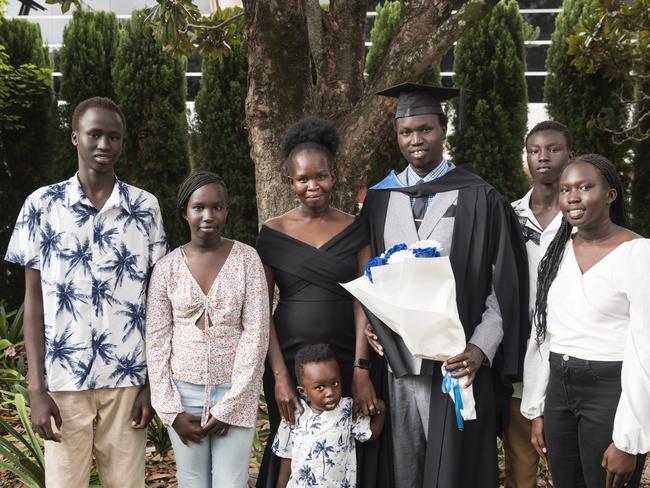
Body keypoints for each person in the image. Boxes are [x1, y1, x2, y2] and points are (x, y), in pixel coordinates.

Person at [362, 82, 529, 488]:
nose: (415, 140)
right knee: (403, 468)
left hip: (457, 364)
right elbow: (370, 274)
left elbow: (502, 285)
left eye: (425, 129)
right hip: (399, 366)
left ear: (443, 127)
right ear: (397, 136)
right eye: (406, 132)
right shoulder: (380, 199)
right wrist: (374, 325)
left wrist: (480, 348)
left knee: (455, 472)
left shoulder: (479, 196)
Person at [3, 97, 168, 487]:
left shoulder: (145, 208)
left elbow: (157, 302)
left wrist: (152, 384)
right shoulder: (41, 205)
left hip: (128, 379)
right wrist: (36, 387)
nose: (104, 144)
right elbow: (33, 302)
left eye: (114, 136)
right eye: (94, 134)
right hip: (64, 382)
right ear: (75, 136)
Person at [255, 116, 380, 488]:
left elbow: (364, 300)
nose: (313, 186)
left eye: (320, 176)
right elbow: (262, 311)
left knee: (349, 446)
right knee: (293, 447)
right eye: (303, 179)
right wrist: (279, 377)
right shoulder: (273, 233)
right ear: (290, 182)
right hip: (290, 363)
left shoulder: (356, 228)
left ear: (333, 175)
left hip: (344, 358)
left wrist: (360, 369)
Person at [521, 154, 650, 488]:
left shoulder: (638, 254)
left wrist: (628, 439)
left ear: (610, 195)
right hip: (559, 388)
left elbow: (644, 349)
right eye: (565, 190)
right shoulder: (556, 248)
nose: (572, 197)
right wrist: (538, 408)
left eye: (584, 187)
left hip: (610, 388)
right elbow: (544, 332)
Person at [145, 171, 269, 487]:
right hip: (182, 393)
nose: (208, 216)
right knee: (192, 480)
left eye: (217, 207)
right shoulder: (166, 268)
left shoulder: (247, 260)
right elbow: (157, 339)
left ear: (227, 211)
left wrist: (231, 404)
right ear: (185, 211)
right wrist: (170, 411)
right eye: (199, 207)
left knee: (231, 480)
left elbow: (256, 333)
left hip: (235, 390)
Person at [504, 120, 573, 487]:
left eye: (553, 149)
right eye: (535, 151)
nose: (543, 157)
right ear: (526, 158)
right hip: (521, 359)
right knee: (521, 466)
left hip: (570, 357)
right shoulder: (509, 215)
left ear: (570, 155)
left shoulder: (583, 217)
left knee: (571, 464)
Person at [273, 344, 385, 488]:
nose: (330, 392)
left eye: (335, 383)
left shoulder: (347, 410)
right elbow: (286, 464)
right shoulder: (294, 415)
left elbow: (371, 434)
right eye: (320, 387)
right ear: (303, 391)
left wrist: (381, 408)